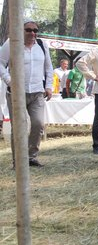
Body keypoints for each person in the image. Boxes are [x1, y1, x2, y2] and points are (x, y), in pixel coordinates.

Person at [0, 18, 53, 167]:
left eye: (35, 30)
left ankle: (31, 156)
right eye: (28, 30)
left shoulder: (42, 45)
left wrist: (49, 86)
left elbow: (48, 67)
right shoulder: (11, 43)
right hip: (16, 93)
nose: (32, 33)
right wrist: (10, 81)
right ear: (21, 30)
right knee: (19, 127)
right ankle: (18, 160)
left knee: (38, 124)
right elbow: (0, 63)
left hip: (37, 92)